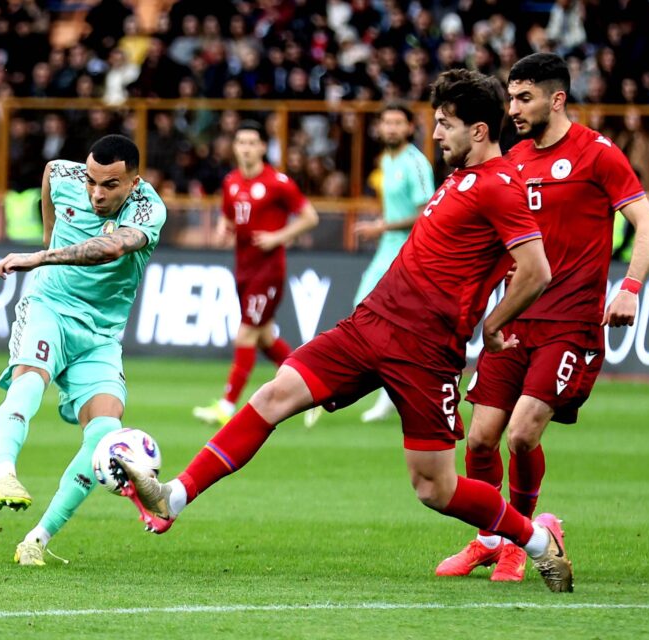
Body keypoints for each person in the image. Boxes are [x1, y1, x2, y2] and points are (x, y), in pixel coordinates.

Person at [115, 69, 576, 593]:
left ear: (478, 130)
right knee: (274, 394)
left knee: (435, 488)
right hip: (371, 323)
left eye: (445, 124)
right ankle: (173, 497)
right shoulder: (459, 176)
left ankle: (536, 540)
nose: (435, 134)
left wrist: (492, 324)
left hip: (425, 350)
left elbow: (536, 269)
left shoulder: (500, 185)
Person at [436, 53, 649, 583]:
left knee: (521, 435)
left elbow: (648, 225)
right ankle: (490, 539)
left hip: (570, 324)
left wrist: (630, 288)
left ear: (557, 99)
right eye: (511, 98)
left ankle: (522, 542)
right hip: (514, 319)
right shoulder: (512, 160)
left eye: (524, 98)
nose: (512, 109)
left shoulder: (596, 153)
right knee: (480, 439)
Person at [0, 135, 166, 566]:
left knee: (105, 432)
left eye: (110, 185)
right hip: (49, 308)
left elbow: (111, 248)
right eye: (92, 181)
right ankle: (2, 474)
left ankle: (37, 539)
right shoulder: (66, 175)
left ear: (134, 182)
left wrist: (41, 256)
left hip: (100, 334)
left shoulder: (148, 209)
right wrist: (49, 238)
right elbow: (49, 172)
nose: (97, 193)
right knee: (30, 380)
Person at [192, 120, 320, 428]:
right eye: (241, 142)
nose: (246, 148)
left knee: (246, 333)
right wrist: (223, 229)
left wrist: (278, 237)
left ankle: (226, 405)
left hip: (268, 271)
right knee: (263, 338)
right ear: (234, 147)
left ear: (263, 147)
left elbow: (310, 217)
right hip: (243, 269)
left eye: (252, 142)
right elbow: (228, 217)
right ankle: (316, 392)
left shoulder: (278, 182)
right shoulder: (231, 181)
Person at [353, 101, 435, 423]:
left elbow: (425, 214)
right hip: (387, 248)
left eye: (398, 123)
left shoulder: (416, 163)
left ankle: (391, 390)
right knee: (366, 312)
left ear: (410, 128)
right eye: (386, 122)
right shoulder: (386, 160)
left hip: (408, 251)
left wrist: (382, 227)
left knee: (378, 317)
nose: (391, 128)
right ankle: (391, 389)